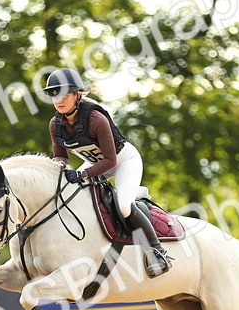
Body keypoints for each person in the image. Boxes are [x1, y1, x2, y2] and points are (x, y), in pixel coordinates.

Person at [43, 68, 172, 277]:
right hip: (94, 163)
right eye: (54, 95)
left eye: (64, 94)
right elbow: (61, 158)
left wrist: (83, 175)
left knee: (123, 206)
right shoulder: (55, 124)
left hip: (124, 161)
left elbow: (110, 160)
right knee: (68, 196)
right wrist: (60, 172)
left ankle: (157, 251)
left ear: (77, 95)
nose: (59, 100)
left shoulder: (95, 119)